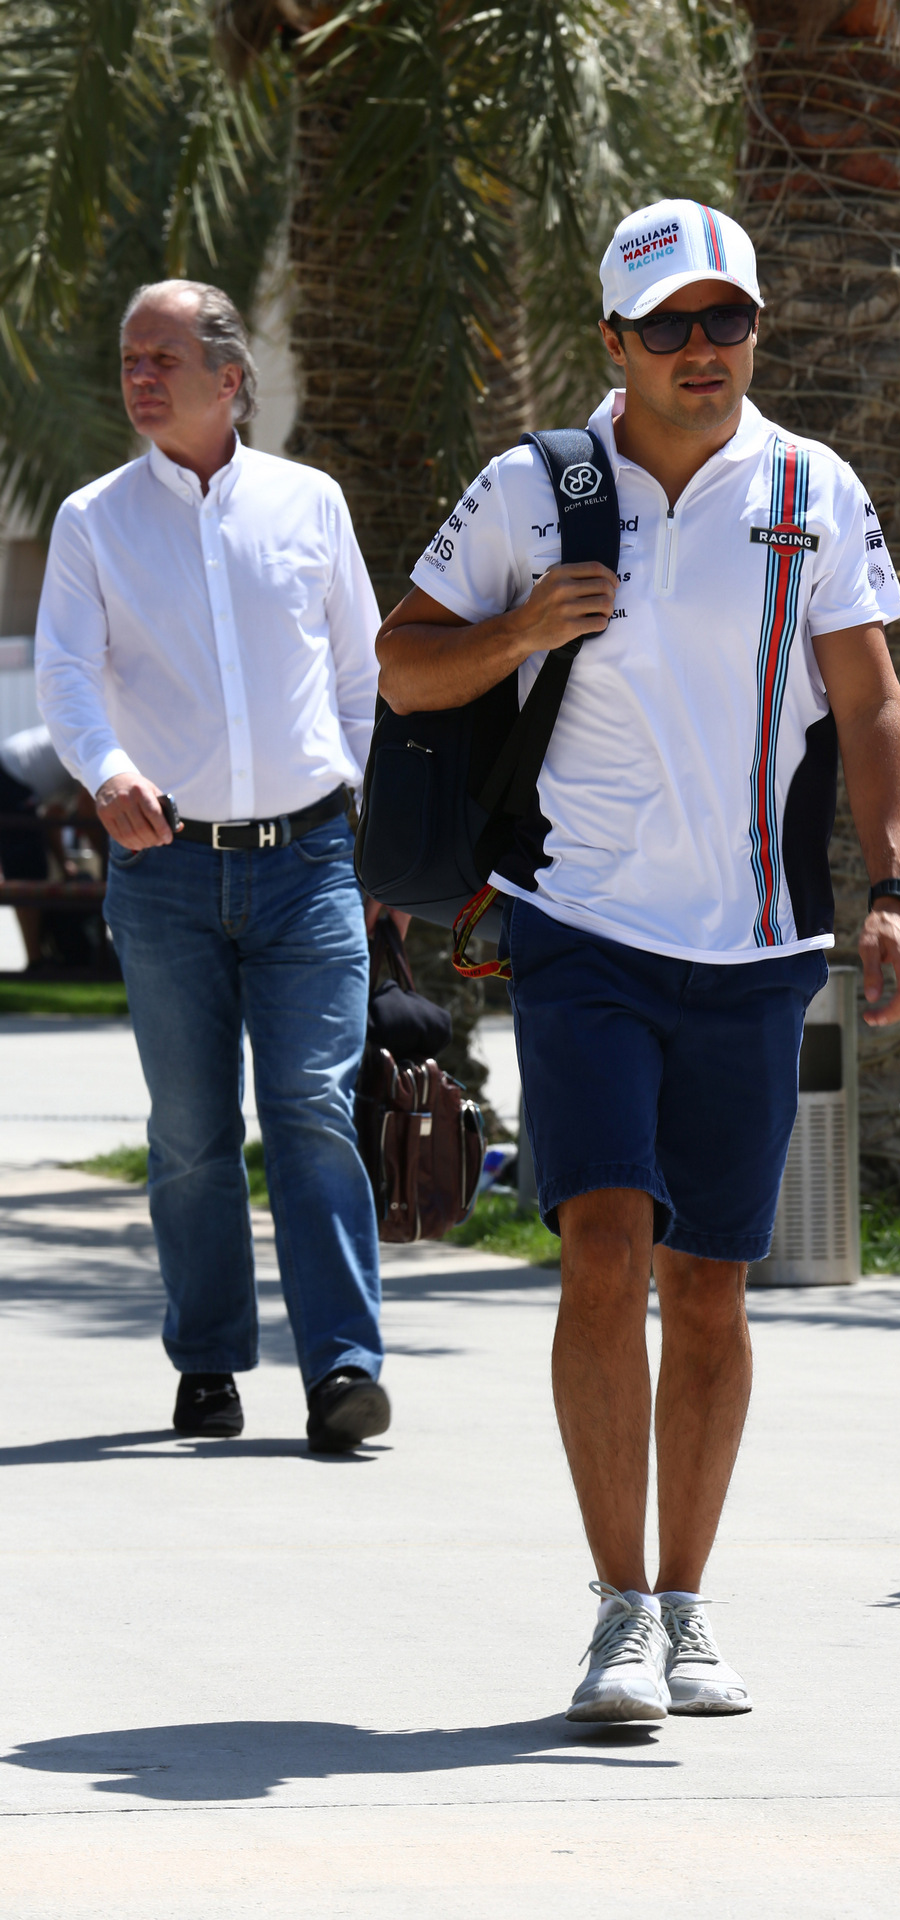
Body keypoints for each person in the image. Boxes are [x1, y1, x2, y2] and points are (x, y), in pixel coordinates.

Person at [376, 198, 900, 1722]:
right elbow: (400, 660)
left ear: (755, 329)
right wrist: (518, 631)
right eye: (669, 326)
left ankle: (689, 1605)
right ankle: (619, 1612)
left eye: (726, 320)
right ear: (611, 341)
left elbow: (871, 704)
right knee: (606, 1244)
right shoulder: (532, 490)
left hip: (756, 942)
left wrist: (895, 892)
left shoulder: (811, 488)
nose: (703, 350)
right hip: (583, 929)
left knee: (714, 1285)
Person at [36, 279, 389, 1455]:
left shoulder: (310, 503)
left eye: (162, 358)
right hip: (165, 872)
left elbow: (358, 674)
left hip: (309, 864)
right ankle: (208, 1362)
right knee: (189, 1131)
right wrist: (106, 767)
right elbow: (69, 675)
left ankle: (343, 1369)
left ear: (229, 378)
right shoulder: (93, 520)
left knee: (313, 1113)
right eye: (129, 358)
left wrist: (369, 820)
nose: (139, 376)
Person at [0, 724, 79, 967]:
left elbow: (53, 818)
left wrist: (63, 864)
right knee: (28, 873)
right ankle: (36, 961)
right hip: (11, 778)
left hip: (12, 773)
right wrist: (110, 864)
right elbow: (92, 812)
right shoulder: (96, 746)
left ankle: (38, 957)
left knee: (34, 870)